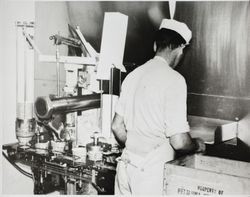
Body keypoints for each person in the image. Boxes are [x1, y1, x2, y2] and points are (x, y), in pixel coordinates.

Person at [111, 19, 205, 195]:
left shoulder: (133, 75)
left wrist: (137, 145)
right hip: (149, 176)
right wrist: (197, 145)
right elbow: (179, 142)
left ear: (155, 46)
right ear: (180, 49)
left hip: (125, 169)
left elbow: (117, 127)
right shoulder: (175, 80)